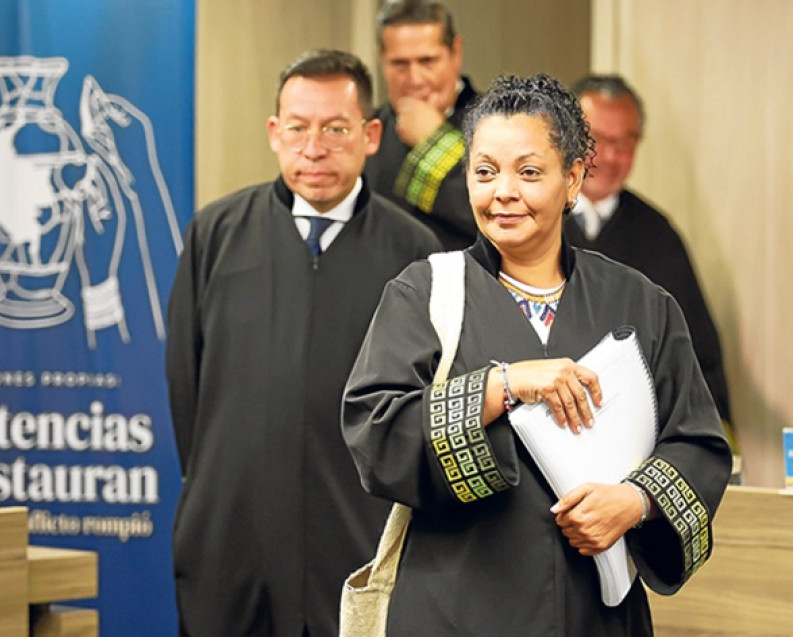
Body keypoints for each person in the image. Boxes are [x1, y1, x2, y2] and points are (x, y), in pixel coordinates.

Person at [342, 73, 732, 635]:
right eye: (484, 171)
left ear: (573, 178)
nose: (503, 191)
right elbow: (375, 436)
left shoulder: (642, 303)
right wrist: (501, 385)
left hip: (596, 614)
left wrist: (637, 502)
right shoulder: (424, 293)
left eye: (528, 172)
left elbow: (699, 442)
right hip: (453, 610)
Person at [166, 50, 441, 636]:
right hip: (229, 548)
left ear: (370, 135)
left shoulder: (414, 255)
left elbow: (422, 408)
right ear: (274, 133)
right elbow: (186, 392)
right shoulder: (215, 236)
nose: (313, 148)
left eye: (336, 129)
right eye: (297, 128)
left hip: (355, 545)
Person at [566, 74, 739, 459]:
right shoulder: (532, 220)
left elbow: (698, 358)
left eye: (625, 142)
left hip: (639, 449)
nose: (610, 156)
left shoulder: (657, 234)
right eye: (598, 140)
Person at [364, 0, 480, 250]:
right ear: (380, 59)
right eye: (400, 64)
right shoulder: (366, 135)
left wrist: (435, 141)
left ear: (455, 52)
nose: (415, 79)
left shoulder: (502, 124)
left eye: (428, 61)